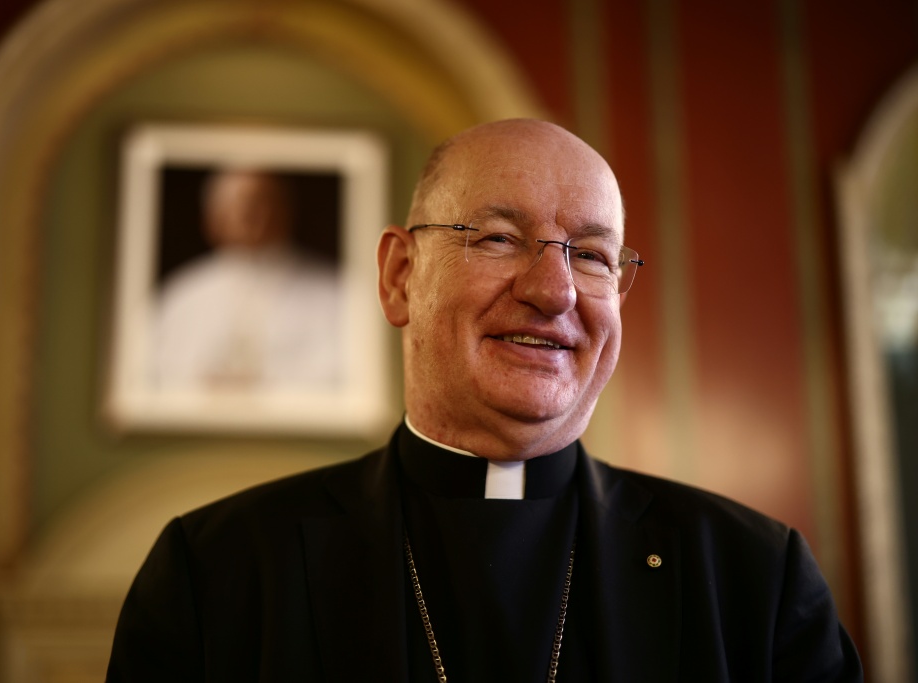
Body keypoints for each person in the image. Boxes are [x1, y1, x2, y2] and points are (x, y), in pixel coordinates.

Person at [107, 119, 862, 681]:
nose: (554, 291)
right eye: (499, 238)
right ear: (400, 276)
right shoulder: (217, 572)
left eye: (592, 255)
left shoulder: (756, 579)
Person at [152, 169, 341, 391]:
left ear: (285, 211)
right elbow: (154, 374)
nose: (247, 214)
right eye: (235, 204)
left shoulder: (334, 292)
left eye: (259, 203)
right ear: (211, 218)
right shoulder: (181, 295)